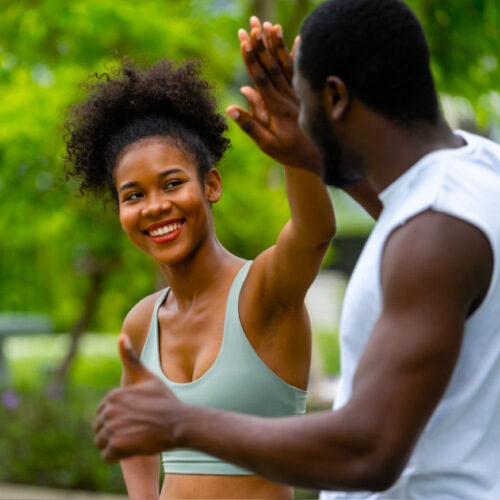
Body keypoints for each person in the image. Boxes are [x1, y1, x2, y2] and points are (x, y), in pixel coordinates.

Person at [95, 0, 500, 498]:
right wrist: (306, 154)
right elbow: (411, 201)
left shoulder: (434, 231)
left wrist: (179, 423)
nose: (299, 121)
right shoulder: (478, 171)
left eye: (303, 104)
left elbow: (368, 450)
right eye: (132, 195)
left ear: (334, 98)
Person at [63, 28, 378, 497]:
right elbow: (134, 434)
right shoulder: (142, 323)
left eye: (172, 184)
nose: (154, 206)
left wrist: (296, 146)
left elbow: (314, 233)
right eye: (134, 195)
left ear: (211, 185)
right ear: (121, 212)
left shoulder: (265, 291)